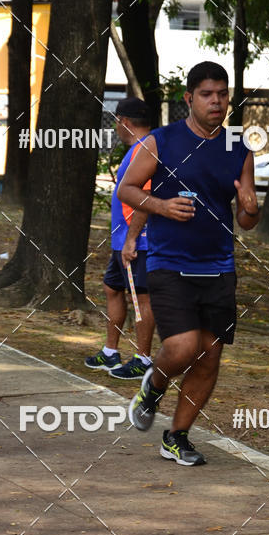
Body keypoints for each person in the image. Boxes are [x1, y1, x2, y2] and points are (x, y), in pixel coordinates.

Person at [118, 62, 260, 466]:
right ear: (189, 98)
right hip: (169, 262)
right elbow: (126, 188)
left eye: (222, 94)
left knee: (210, 354)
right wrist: (161, 204)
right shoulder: (160, 142)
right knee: (182, 346)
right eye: (206, 94)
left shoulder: (239, 148)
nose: (216, 101)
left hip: (218, 265)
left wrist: (252, 209)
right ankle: (155, 382)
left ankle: (176, 436)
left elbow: (247, 220)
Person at [84, 97, 156, 379]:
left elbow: (146, 198)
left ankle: (144, 359)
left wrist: (132, 240)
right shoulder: (136, 149)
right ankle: (111, 353)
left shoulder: (146, 151)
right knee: (112, 288)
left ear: (123, 122)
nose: (116, 128)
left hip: (138, 242)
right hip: (122, 241)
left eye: (116, 122)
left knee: (140, 299)